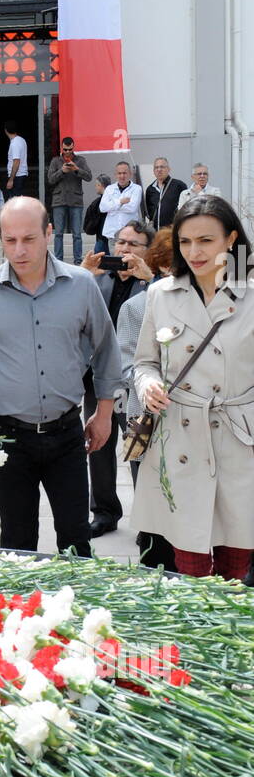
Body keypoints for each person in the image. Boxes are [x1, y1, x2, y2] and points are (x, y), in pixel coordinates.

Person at [0, 197, 121, 557]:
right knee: (16, 538)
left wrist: (104, 412)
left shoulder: (81, 286)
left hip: (67, 433)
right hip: (8, 437)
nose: (19, 250)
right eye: (9, 240)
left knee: (76, 538)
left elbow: (106, 349)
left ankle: (79, 612)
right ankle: (18, 613)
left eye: (28, 239)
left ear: (49, 233)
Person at [132, 195, 254, 580]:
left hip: (240, 439)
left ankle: (233, 638)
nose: (194, 251)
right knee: (191, 562)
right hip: (181, 437)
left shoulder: (249, 290)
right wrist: (148, 385)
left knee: (236, 558)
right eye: (185, 241)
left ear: (231, 239)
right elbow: (144, 362)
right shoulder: (160, 293)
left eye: (206, 240)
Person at [81, 220, 154, 536]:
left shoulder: (154, 284)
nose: (124, 249)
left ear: (146, 251)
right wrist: (83, 274)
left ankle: (148, 518)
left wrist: (149, 279)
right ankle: (105, 512)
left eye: (133, 244)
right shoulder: (96, 280)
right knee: (98, 446)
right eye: (120, 242)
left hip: (138, 382)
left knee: (138, 449)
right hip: (99, 379)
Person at [115, 227, 176, 571]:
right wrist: (151, 385)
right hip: (144, 419)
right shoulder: (136, 307)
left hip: (191, 418)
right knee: (150, 499)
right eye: (169, 264)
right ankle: (154, 565)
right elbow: (127, 365)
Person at [46, 136, 93, 266]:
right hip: (59, 200)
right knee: (59, 233)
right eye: (65, 149)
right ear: (62, 148)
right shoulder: (56, 161)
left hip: (75, 200)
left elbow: (89, 176)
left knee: (77, 234)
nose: (67, 152)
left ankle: (78, 261)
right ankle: (58, 261)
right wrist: (62, 171)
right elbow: (50, 179)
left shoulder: (80, 160)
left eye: (70, 149)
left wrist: (76, 169)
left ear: (73, 147)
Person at [98, 161, 143, 252]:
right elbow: (102, 208)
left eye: (124, 173)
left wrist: (112, 205)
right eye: (119, 173)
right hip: (112, 234)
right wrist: (120, 202)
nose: (122, 176)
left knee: (129, 263)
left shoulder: (137, 188)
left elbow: (132, 208)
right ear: (115, 174)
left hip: (130, 235)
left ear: (130, 174)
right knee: (115, 263)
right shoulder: (109, 189)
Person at [144, 158, 187, 229]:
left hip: (173, 230)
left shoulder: (179, 185)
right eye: (156, 167)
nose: (159, 169)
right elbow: (148, 211)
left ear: (169, 169)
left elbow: (186, 208)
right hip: (156, 232)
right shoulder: (150, 189)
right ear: (153, 171)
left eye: (162, 167)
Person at [83, 174, 112, 252]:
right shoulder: (114, 199)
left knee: (100, 260)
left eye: (96, 185)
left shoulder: (99, 202)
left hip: (102, 237)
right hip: (106, 237)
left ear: (100, 185)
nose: (95, 187)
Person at [4, 121, 28, 196]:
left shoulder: (15, 143)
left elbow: (16, 161)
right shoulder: (21, 140)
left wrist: (11, 180)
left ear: (6, 130)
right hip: (21, 174)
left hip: (17, 176)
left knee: (15, 202)